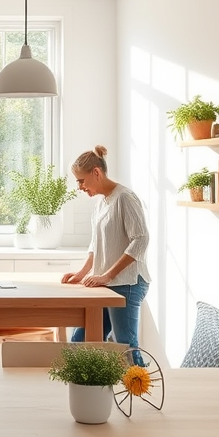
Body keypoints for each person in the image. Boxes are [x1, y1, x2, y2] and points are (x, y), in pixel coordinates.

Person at [61, 145, 150, 363]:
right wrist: (83, 272)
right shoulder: (101, 201)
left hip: (127, 283)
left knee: (125, 346)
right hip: (106, 284)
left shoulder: (125, 198)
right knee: (80, 340)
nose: (80, 187)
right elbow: (96, 243)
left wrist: (107, 275)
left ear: (96, 173)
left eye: (81, 180)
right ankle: (85, 392)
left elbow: (141, 239)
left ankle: (139, 392)